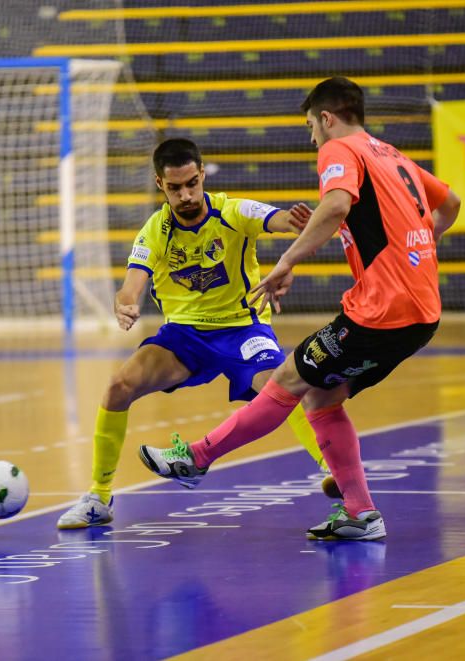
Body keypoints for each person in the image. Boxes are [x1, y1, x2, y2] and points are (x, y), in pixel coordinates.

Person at [139, 77, 461, 541]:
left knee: (288, 379)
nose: (311, 137)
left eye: (311, 125)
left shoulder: (340, 149)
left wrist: (287, 260)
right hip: (422, 310)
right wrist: (418, 252)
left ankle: (196, 457)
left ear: (326, 118)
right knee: (321, 396)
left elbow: (333, 206)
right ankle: (360, 513)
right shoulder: (391, 154)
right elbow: (449, 203)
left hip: (382, 310)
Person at [57, 137, 332, 529]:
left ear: (202, 175)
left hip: (243, 329)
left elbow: (278, 219)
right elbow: (133, 280)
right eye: (175, 188)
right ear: (160, 185)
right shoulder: (156, 230)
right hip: (184, 338)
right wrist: (127, 301)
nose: (185, 195)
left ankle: (331, 467)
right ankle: (99, 498)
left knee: (286, 382)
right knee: (118, 386)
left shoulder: (232, 211)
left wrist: (297, 222)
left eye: (191, 183)